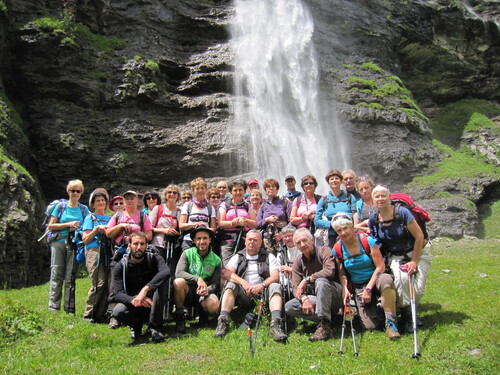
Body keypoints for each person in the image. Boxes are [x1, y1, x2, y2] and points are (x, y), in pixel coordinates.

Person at [368, 185, 431, 333]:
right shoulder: (374, 218)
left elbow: (419, 236)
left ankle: (409, 313)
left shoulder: (402, 212)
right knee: (401, 282)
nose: (380, 199)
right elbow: (372, 237)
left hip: (417, 252)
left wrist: (414, 261)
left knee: (418, 288)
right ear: (373, 199)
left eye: (383, 195)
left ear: (389, 197)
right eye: (377, 196)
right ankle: (408, 318)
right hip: (396, 256)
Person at [331, 213, 400, 340]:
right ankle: (381, 309)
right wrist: (345, 289)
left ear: (352, 227)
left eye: (345, 228)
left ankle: (391, 323)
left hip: (376, 279)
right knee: (370, 326)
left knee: (386, 279)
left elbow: (380, 267)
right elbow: (342, 273)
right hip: (359, 286)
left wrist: (368, 289)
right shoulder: (337, 248)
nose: (343, 232)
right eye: (339, 230)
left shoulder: (367, 240)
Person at [214, 230, 287, 342]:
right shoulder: (238, 256)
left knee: (275, 286)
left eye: (255, 240)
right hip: (244, 293)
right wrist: (244, 283)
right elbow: (226, 273)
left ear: (260, 243)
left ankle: (275, 324)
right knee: (230, 284)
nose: (252, 242)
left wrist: (261, 285)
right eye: (249, 239)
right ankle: (223, 322)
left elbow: (275, 276)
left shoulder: (269, 256)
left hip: (263, 293)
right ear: (245, 241)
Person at [284, 228, 342, 342]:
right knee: (289, 307)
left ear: (312, 240)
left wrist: (307, 279)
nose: (303, 244)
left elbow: (329, 271)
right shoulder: (298, 261)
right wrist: (304, 298)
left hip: (334, 294)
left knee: (320, 281)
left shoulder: (324, 251)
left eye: (305, 240)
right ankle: (332, 319)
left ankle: (324, 325)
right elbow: (295, 286)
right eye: (298, 243)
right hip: (316, 297)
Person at [111, 232, 170, 342]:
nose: (139, 247)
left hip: (153, 302)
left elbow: (166, 272)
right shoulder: (121, 266)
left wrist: (146, 289)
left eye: (142, 244)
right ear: (129, 246)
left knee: (162, 284)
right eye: (135, 244)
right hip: (134, 302)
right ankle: (135, 326)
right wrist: (134, 299)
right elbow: (117, 294)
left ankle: (155, 327)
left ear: (146, 246)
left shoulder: (154, 258)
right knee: (118, 311)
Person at [47, 179, 89, 314]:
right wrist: (68, 224)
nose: (75, 193)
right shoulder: (60, 207)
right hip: (58, 241)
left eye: (78, 191)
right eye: (73, 190)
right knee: (56, 273)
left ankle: (69, 308)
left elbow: (87, 226)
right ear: (68, 191)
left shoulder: (84, 209)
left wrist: (78, 229)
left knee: (70, 275)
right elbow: (51, 225)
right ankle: (53, 307)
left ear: (81, 193)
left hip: (74, 243)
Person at [173, 226, 222, 333]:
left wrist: (206, 290)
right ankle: (180, 316)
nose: (202, 241)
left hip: (205, 292)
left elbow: (215, 283)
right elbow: (179, 273)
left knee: (213, 305)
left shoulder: (216, 260)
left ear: (210, 240)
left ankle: (203, 314)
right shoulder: (187, 253)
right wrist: (198, 279)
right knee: (178, 282)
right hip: (188, 291)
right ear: (194, 240)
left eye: (205, 238)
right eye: (198, 239)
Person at [82, 188, 113, 323]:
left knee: (106, 283)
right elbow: (85, 239)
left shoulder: (110, 219)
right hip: (94, 250)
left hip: (108, 250)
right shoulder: (90, 218)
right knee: (98, 282)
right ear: (93, 204)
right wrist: (96, 229)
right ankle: (89, 314)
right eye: (97, 201)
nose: (100, 203)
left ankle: (100, 314)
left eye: (102, 200)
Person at [218, 179, 257, 267]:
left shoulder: (248, 205)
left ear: (244, 191)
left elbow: (255, 223)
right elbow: (220, 223)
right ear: (231, 191)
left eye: (240, 190)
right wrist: (233, 223)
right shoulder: (225, 205)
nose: (238, 192)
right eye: (235, 190)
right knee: (227, 266)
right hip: (228, 241)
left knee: (243, 266)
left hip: (244, 240)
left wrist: (245, 221)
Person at [314, 169, 357, 247]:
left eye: (337, 178)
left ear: (341, 181)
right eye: (331, 179)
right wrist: (332, 224)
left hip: (349, 232)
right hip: (332, 235)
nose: (334, 181)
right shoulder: (324, 200)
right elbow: (317, 221)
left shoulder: (350, 197)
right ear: (328, 182)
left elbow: (355, 214)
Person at [179, 177, 217, 250]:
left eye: (202, 188)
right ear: (193, 190)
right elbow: (181, 225)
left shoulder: (210, 208)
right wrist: (195, 225)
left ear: (206, 190)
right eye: (197, 188)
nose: (200, 191)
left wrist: (203, 228)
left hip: (204, 243)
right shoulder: (187, 205)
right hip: (188, 240)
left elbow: (213, 229)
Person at [257, 178, 290, 254]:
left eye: (273, 186)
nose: (271, 188)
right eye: (268, 187)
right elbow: (257, 224)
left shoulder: (284, 202)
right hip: (267, 239)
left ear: (277, 190)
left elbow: (291, 221)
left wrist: (284, 234)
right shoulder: (263, 205)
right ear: (265, 190)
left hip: (283, 237)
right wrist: (266, 220)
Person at [149, 185, 181, 259]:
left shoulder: (179, 211)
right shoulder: (158, 208)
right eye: (169, 192)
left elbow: (180, 230)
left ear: (178, 196)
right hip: (157, 244)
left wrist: (176, 233)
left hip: (172, 245)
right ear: (165, 195)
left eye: (174, 193)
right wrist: (164, 230)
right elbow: (149, 228)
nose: (172, 194)